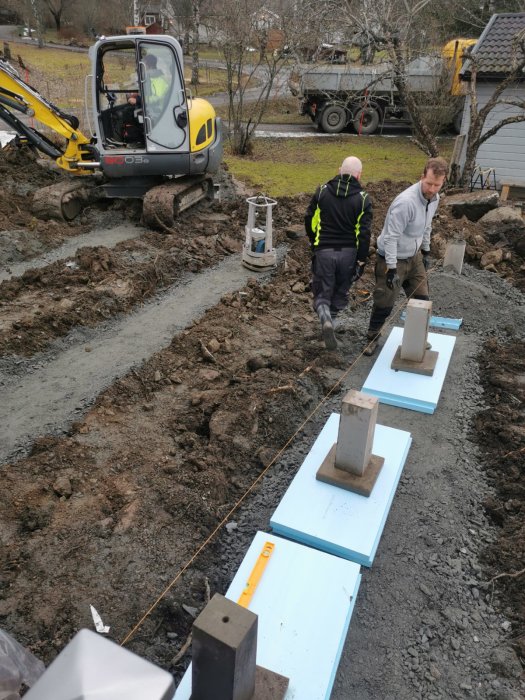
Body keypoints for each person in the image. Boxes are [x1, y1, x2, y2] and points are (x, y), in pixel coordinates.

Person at [364, 156, 448, 356]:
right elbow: (391, 238)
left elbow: (426, 226)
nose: (432, 189)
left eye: (437, 185)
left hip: (414, 255)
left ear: (443, 181)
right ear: (421, 177)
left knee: (422, 299)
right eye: (429, 184)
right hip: (392, 257)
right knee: (384, 301)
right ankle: (372, 337)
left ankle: (417, 338)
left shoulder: (434, 199)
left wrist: (426, 251)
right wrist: (392, 269)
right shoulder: (405, 203)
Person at [305, 156, 372, 350]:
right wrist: (361, 259)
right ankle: (331, 323)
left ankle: (324, 318)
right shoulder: (363, 199)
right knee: (340, 293)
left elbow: (310, 219)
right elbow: (364, 233)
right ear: (359, 175)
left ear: (339, 169)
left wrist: (314, 241)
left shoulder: (323, 192)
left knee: (322, 293)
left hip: (324, 251)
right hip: (348, 255)